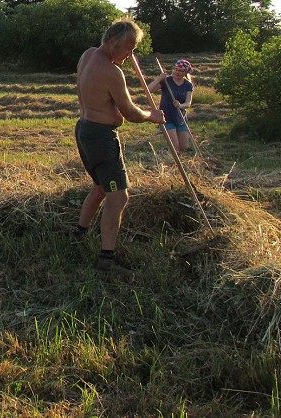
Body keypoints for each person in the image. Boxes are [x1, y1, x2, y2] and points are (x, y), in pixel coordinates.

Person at [74, 19, 165, 277]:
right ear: (112, 42)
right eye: (128, 47)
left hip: (84, 130)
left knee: (102, 187)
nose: (130, 54)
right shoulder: (113, 72)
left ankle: (78, 235)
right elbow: (130, 112)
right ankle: (107, 261)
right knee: (118, 197)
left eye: (134, 48)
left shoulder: (88, 55)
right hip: (101, 138)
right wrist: (152, 115)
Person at [147, 60, 194, 155]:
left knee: (183, 146)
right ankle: (171, 163)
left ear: (185, 73)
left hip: (180, 118)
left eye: (180, 71)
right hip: (166, 116)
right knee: (174, 145)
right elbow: (148, 90)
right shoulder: (166, 81)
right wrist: (159, 79)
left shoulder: (188, 85)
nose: (177, 72)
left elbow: (188, 103)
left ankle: (178, 165)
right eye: (176, 69)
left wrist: (180, 105)